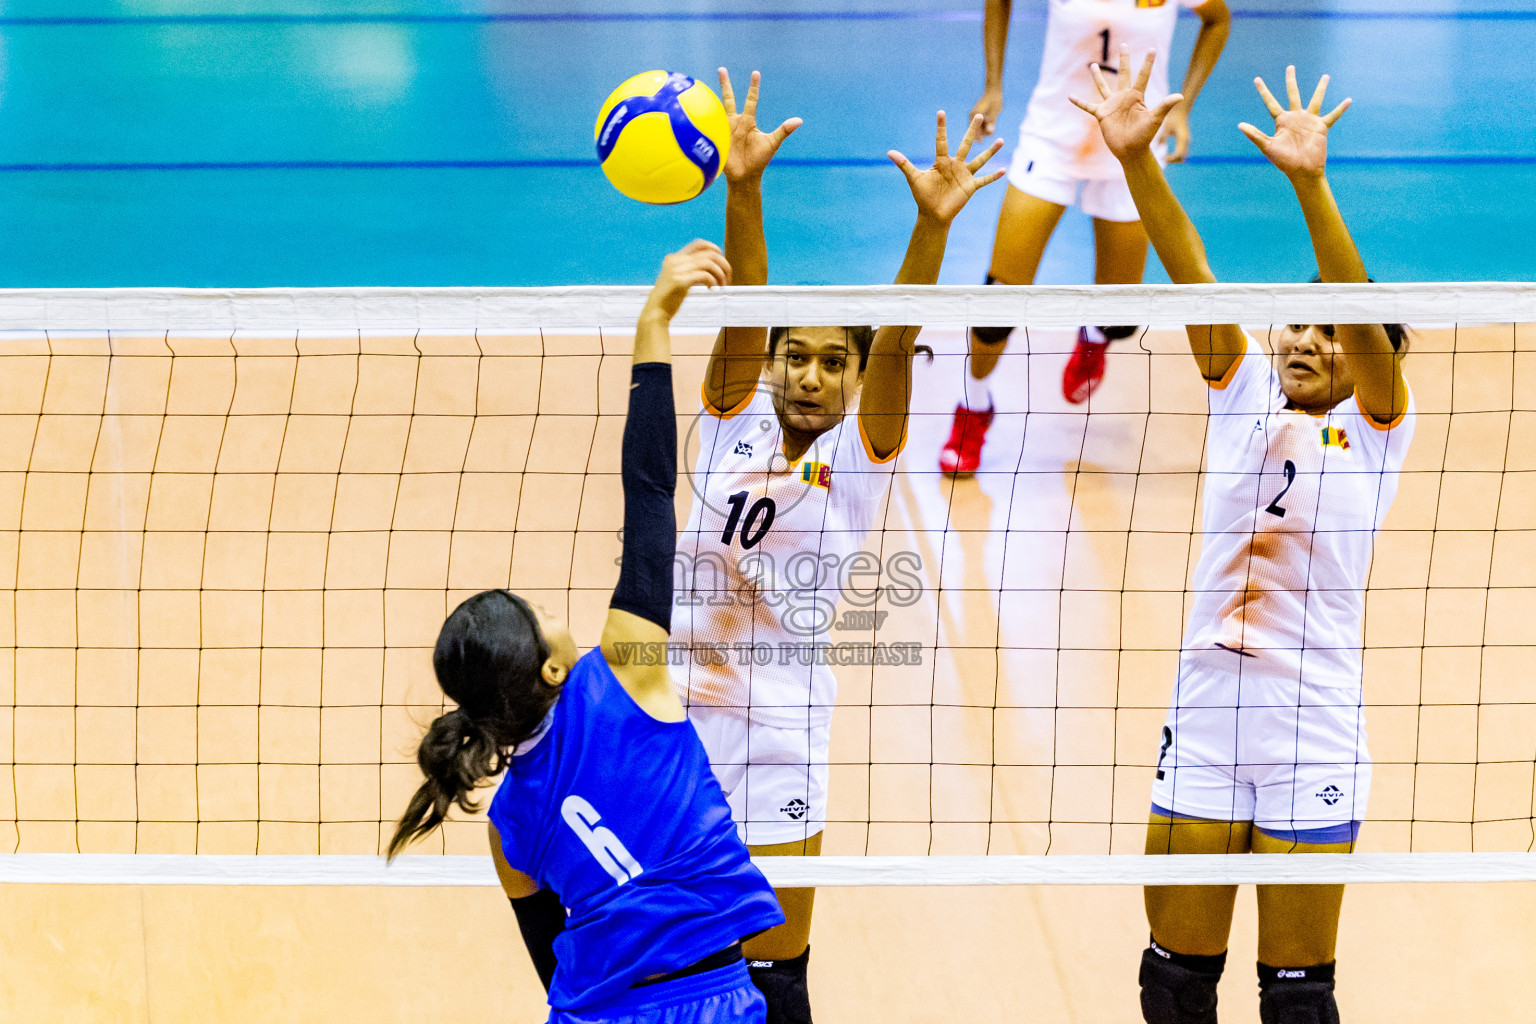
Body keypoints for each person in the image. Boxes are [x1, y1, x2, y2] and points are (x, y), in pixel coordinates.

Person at [1073, 53, 1413, 1024]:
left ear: (1367, 350)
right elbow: (1190, 272)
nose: (1305, 339)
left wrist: (1311, 185)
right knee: (1174, 985)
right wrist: (1138, 166)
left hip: (1314, 727)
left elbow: (1363, 330)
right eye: (1294, 324)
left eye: (1330, 327)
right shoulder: (1243, 392)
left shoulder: (1382, 428)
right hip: (1209, 716)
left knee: (1299, 1002)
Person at [669, 70, 1005, 1024]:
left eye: (832, 362)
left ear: (856, 377)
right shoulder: (730, 418)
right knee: (674, 966)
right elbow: (742, 310)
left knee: (775, 986)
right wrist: (742, 188)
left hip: (783, 737)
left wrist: (932, 228)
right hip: (678, 731)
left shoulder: (864, 457)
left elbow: (898, 340)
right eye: (795, 355)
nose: (810, 375)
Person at [387, 240, 787, 1023]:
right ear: (554, 670)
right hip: (712, 1002)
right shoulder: (626, 675)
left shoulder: (507, 830)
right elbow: (649, 493)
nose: (559, 619)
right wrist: (654, 323)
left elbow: (549, 959)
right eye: (545, 622)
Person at [941, 0, 1230, 476]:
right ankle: (973, 407)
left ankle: (1095, 336)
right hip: (1051, 139)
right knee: (997, 304)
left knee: (1120, 315)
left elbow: (1217, 18)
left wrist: (1183, 110)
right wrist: (994, 86)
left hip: (1133, 143)